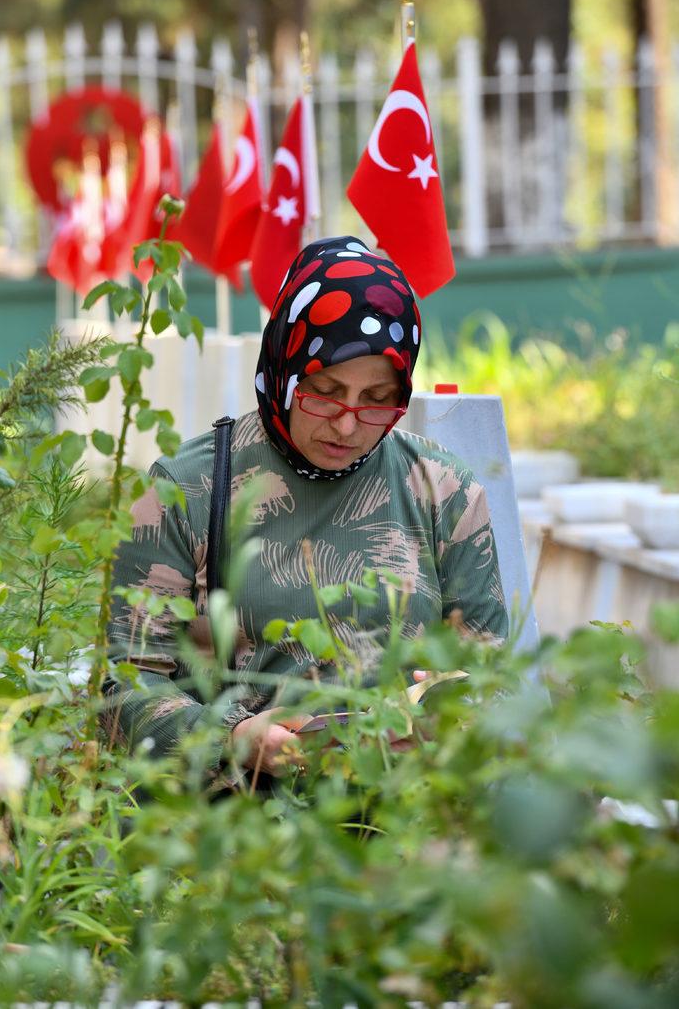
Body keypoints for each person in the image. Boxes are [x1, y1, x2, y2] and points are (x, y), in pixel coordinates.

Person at [105, 235, 508, 781]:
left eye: (375, 399)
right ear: (285, 367)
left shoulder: (442, 491)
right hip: (237, 822)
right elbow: (123, 688)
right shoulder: (187, 489)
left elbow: (489, 676)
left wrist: (442, 717)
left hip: (408, 816)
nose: (346, 424)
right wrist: (230, 739)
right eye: (324, 390)